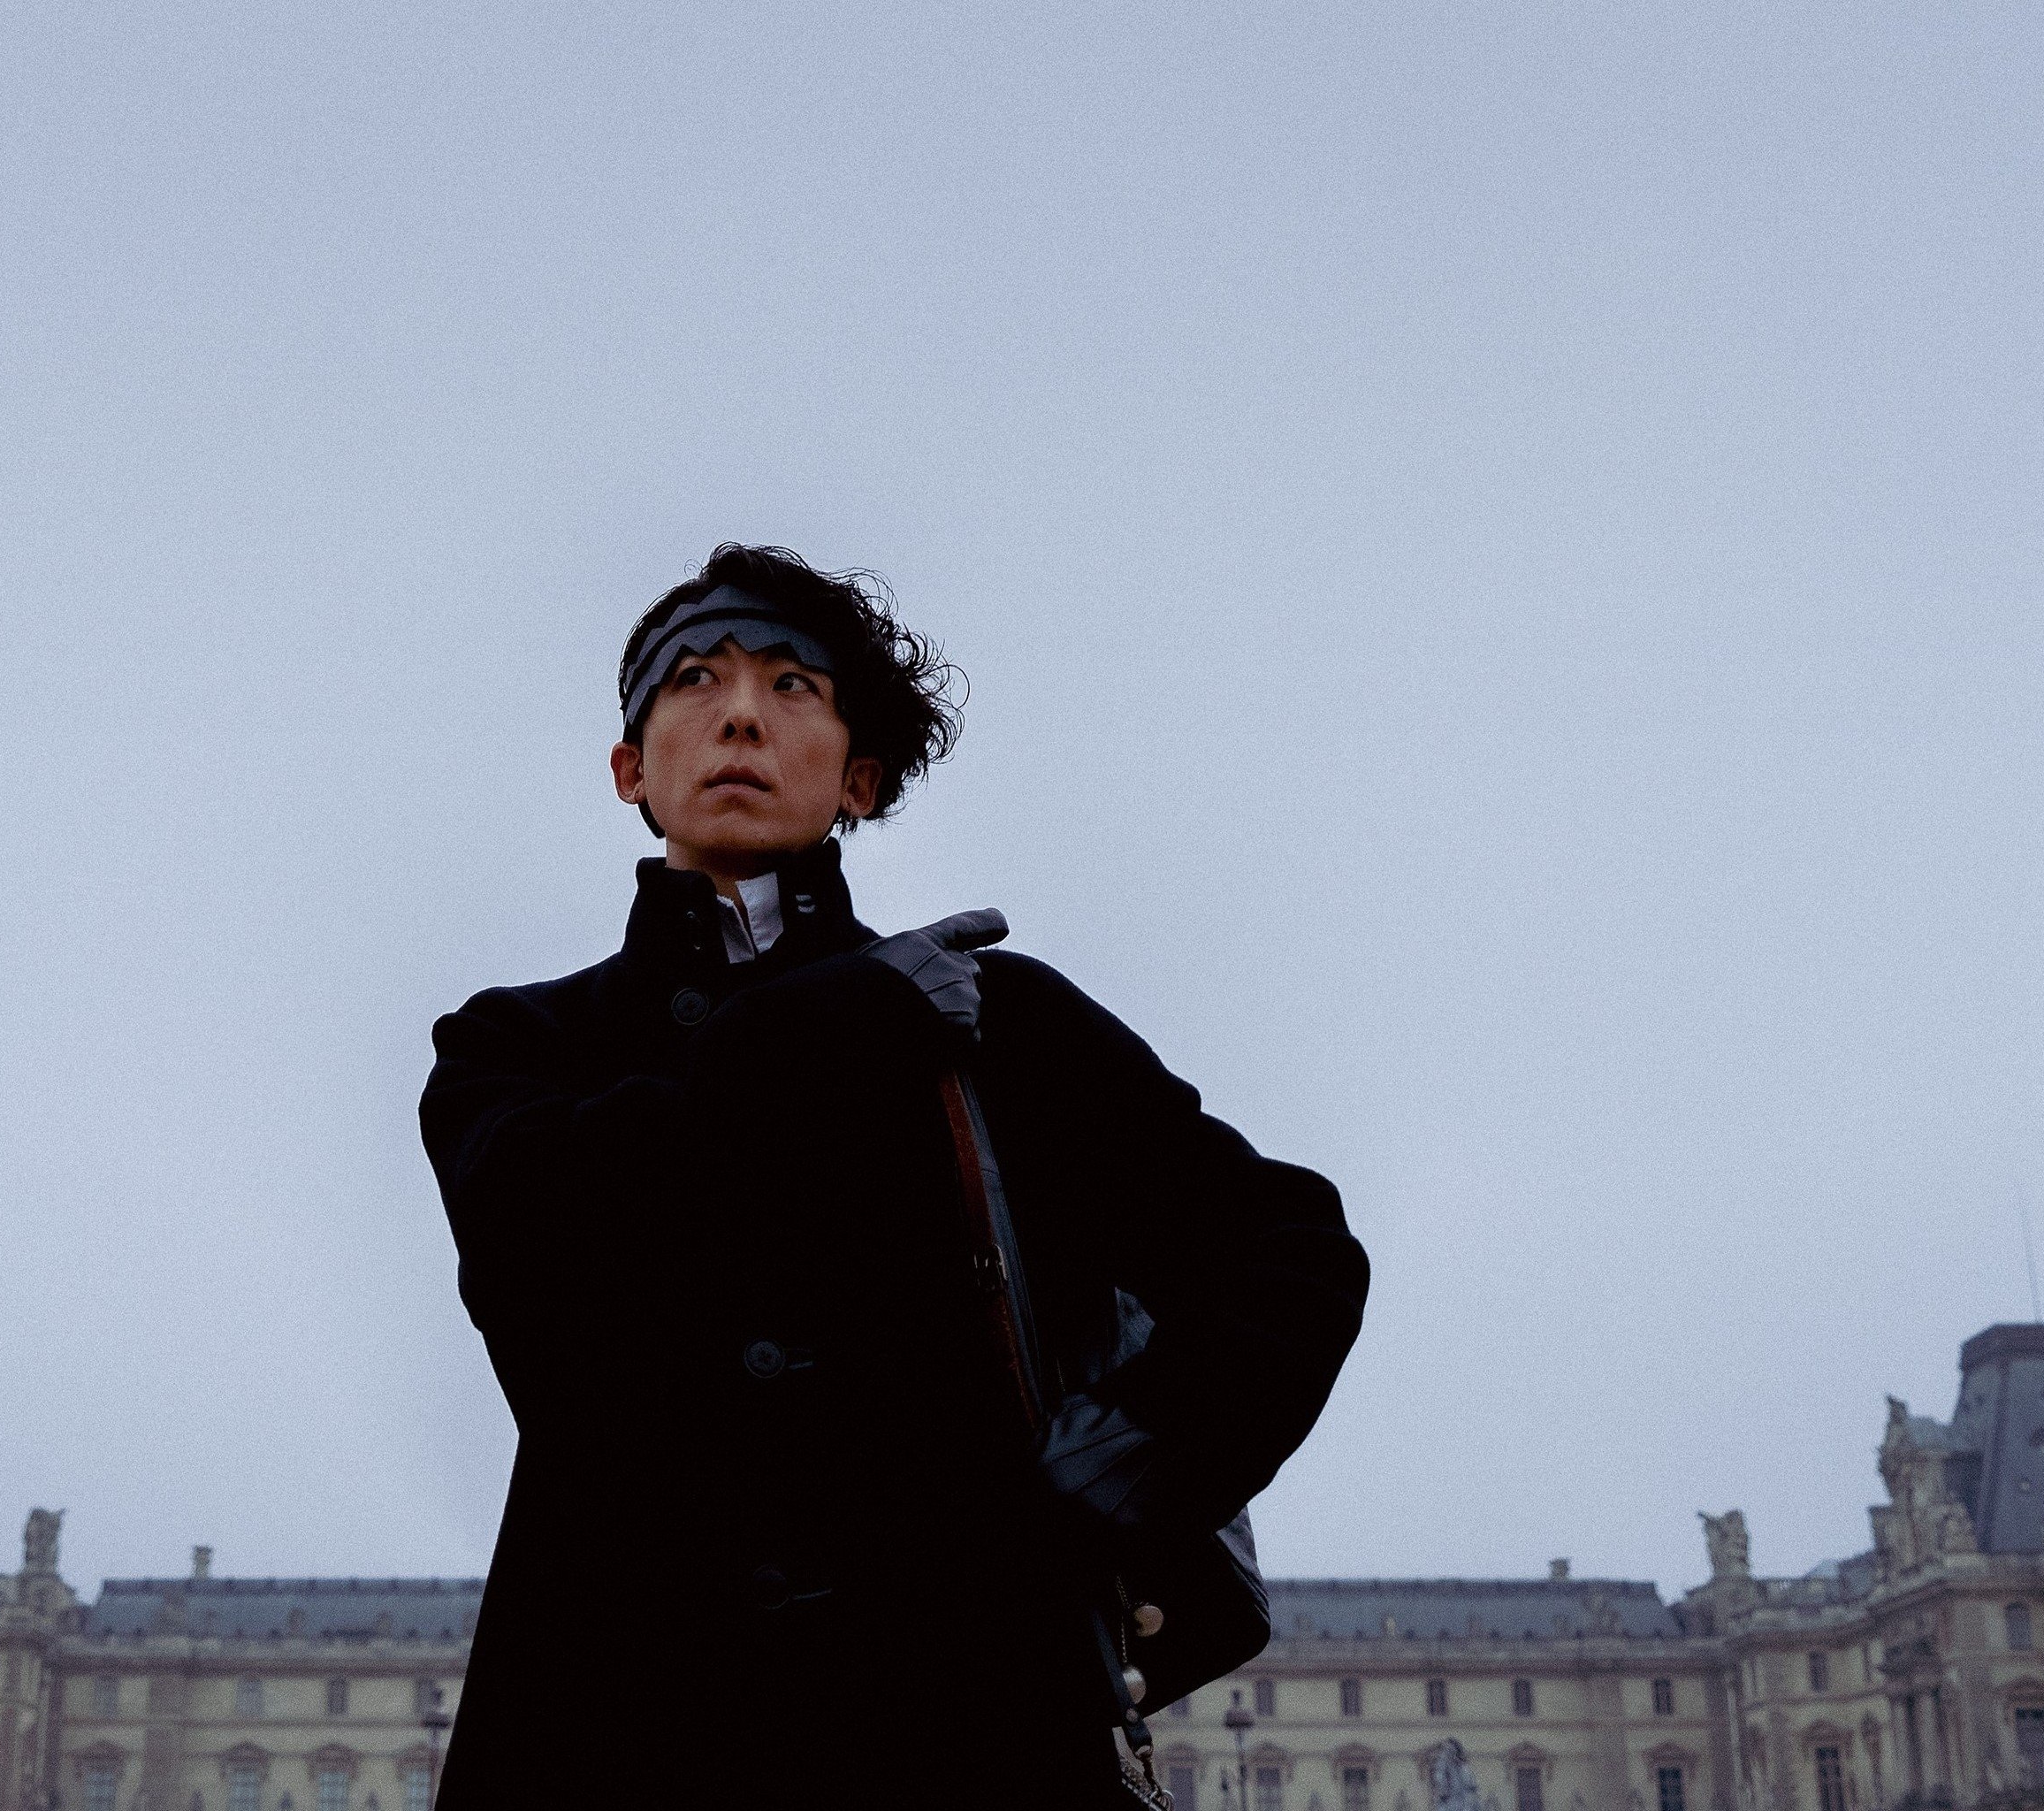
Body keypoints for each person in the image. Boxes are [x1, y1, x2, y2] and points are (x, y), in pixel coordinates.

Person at [419, 544, 1369, 1807]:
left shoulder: (1005, 1024)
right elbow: (539, 1258)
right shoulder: (516, 1045)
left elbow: (1290, 1252)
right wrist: (828, 1025)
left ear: (858, 780)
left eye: (795, 686)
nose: (743, 711)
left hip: (964, 1727)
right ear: (630, 770)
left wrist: (1130, 1460)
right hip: (620, 1731)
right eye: (694, 679)